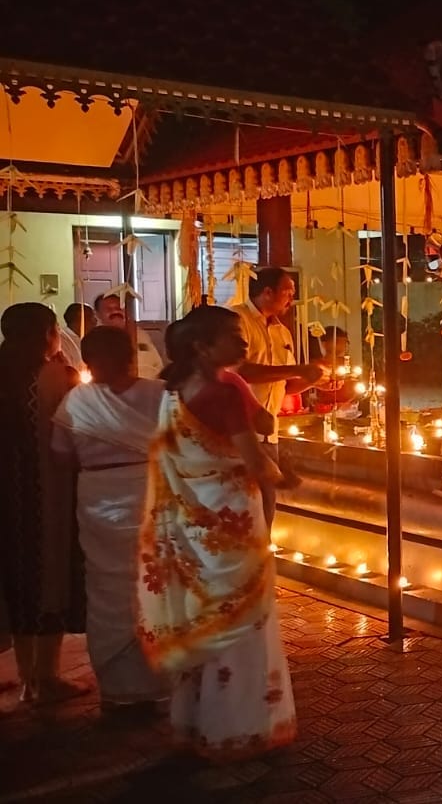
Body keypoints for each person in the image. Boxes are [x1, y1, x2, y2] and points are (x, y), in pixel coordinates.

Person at [138, 305, 297, 759]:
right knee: (243, 623)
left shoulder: (172, 391)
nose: (243, 341)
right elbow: (256, 463)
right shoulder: (224, 392)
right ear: (201, 347)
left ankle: (196, 722)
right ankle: (240, 728)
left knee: (206, 617)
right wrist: (291, 476)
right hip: (232, 524)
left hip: (195, 526)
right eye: (232, 335)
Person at [50, 327, 169, 711]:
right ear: (131, 356)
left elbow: (61, 455)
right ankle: (157, 683)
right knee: (153, 582)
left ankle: (120, 690)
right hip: (148, 491)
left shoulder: (75, 401)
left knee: (106, 588)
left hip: (98, 494)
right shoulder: (159, 394)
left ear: (87, 362)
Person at [0, 302, 88, 705]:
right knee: (49, 573)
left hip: (8, 493)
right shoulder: (59, 376)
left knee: (15, 578)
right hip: (49, 489)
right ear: (47, 335)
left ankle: (24, 675)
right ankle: (46, 677)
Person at [231, 267, 324, 437]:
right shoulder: (237, 320)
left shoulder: (282, 332)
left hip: (270, 430)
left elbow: (285, 386)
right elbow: (239, 372)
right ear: (268, 292)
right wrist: (297, 370)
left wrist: (315, 380)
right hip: (239, 430)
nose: (291, 299)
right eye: (288, 293)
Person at [93, 293, 163, 378]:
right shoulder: (94, 340)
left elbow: (157, 365)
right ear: (97, 314)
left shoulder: (140, 334)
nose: (115, 311)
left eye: (119, 308)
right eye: (109, 309)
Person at [304, 327, 358, 417]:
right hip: (323, 412)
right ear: (324, 344)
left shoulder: (347, 364)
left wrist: (348, 403)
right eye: (337, 342)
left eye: (345, 342)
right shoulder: (316, 364)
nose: (342, 345)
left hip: (348, 410)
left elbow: (355, 388)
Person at [60, 303, 97, 369]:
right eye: (92, 317)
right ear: (80, 318)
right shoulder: (62, 340)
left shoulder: (89, 339)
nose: (95, 321)